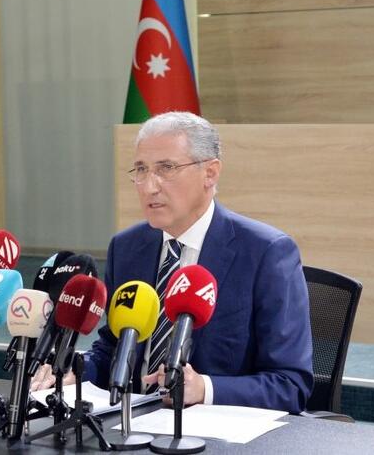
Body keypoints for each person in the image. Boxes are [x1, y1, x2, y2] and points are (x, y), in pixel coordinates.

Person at [32, 112, 313, 412]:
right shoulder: (127, 247)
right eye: (141, 169)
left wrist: (203, 388)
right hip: (131, 420)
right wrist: (76, 370)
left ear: (210, 173)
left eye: (166, 168)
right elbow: (114, 347)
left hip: (214, 426)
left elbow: (290, 385)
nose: (148, 186)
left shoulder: (266, 253)